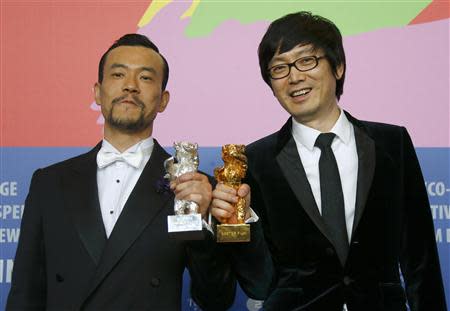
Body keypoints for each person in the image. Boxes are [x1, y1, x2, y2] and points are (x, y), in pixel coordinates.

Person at [211, 11, 446, 311]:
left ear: (338, 66)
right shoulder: (254, 161)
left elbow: (420, 258)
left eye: (306, 61)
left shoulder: (392, 143)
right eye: (279, 68)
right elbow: (260, 282)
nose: (294, 76)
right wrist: (241, 222)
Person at [7, 34, 235, 311]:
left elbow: (216, 300)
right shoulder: (49, 183)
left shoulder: (194, 187)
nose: (130, 86)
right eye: (118, 74)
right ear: (98, 92)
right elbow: (24, 294)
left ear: (163, 100)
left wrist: (201, 223)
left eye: (146, 78)